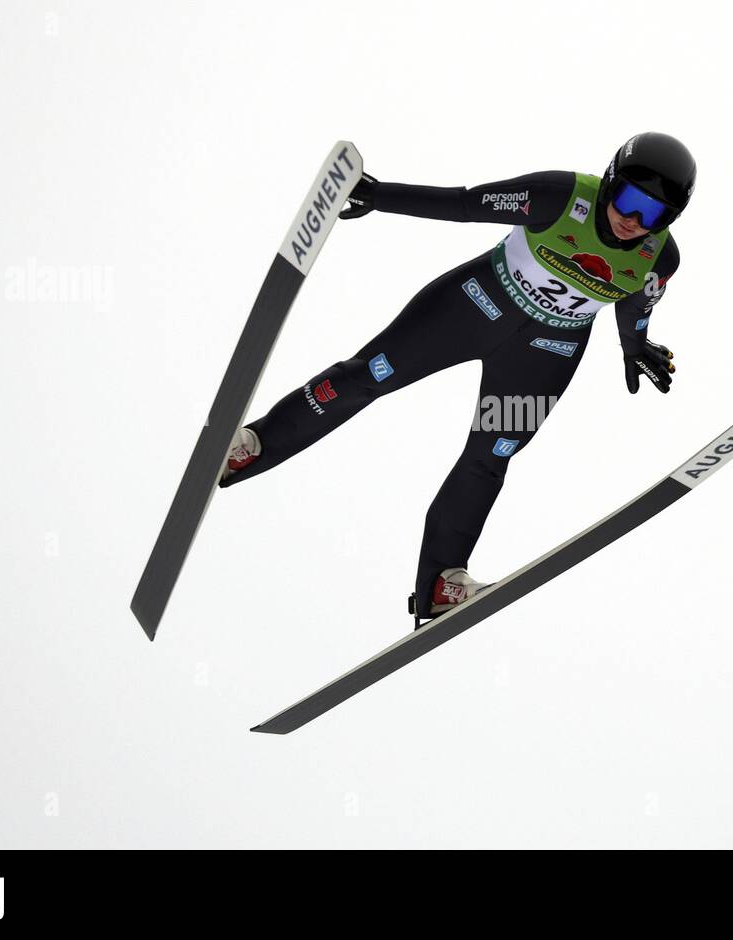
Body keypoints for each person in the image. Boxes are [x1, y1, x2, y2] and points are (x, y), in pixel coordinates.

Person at [219, 132, 696, 623]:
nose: (634, 221)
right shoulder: (562, 196)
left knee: (491, 455)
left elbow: (638, 300)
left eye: (654, 215)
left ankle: (442, 583)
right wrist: (378, 196)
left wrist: (634, 347)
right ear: (611, 181)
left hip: (543, 355)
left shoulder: (660, 257)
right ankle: (251, 445)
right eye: (630, 201)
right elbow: (465, 205)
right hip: (473, 306)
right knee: (369, 377)